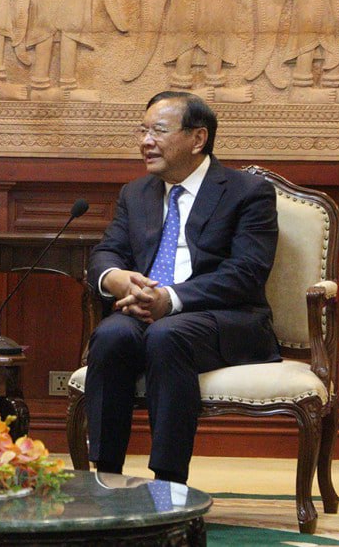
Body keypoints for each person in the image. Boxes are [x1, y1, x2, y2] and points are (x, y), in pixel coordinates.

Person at [85, 91, 280, 484]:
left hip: (223, 317)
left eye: (158, 131)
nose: (146, 141)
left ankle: (169, 485)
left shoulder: (247, 192)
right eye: (142, 131)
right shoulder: (136, 193)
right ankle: (104, 478)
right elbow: (107, 252)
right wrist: (116, 278)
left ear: (197, 138)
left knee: (168, 335)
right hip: (145, 310)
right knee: (110, 335)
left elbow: (246, 272)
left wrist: (170, 299)